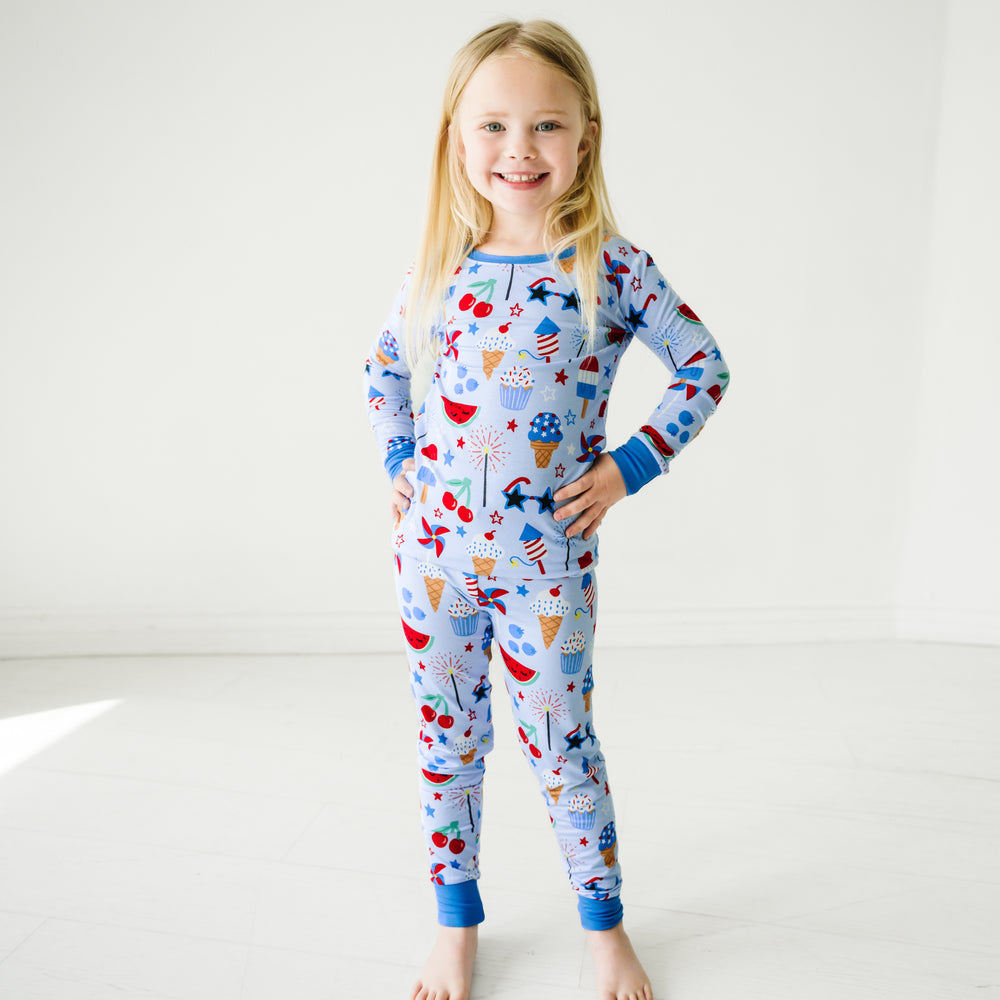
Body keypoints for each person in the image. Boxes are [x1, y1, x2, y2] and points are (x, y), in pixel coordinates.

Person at [362, 19, 729, 1000]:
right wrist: (399, 454)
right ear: (454, 138)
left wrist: (627, 468)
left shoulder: (608, 267)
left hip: (545, 564)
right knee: (445, 738)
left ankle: (603, 926)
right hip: (432, 560)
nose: (518, 149)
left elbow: (703, 366)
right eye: (491, 125)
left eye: (544, 126)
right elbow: (383, 370)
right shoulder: (436, 268)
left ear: (585, 138)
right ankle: (456, 922)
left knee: (562, 740)